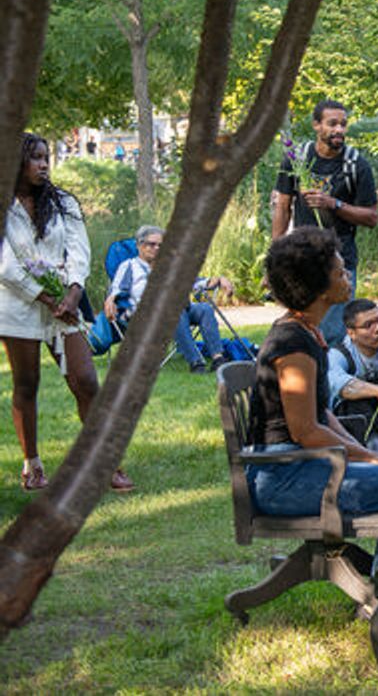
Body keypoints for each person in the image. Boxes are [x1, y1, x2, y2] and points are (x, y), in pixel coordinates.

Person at [244, 228, 378, 638]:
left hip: (307, 466)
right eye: (340, 270)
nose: (347, 275)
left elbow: (324, 416)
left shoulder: (308, 334)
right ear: (316, 283)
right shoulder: (292, 343)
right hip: (284, 476)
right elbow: (305, 431)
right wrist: (370, 459)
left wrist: (368, 454)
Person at [1, 134, 133, 493]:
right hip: (18, 308)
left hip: (66, 307)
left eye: (46, 157)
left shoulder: (63, 203)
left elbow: (79, 250)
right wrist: (45, 298)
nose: (44, 164)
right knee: (26, 385)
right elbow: (6, 266)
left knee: (86, 381)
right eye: (35, 158)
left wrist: (73, 293)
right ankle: (33, 465)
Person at [272, 99, 378, 343]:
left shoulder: (356, 164)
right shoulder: (296, 159)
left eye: (343, 124)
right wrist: (276, 255)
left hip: (340, 261)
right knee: (302, 326)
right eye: (332, 124)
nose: (339, 130)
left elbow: (372, 217)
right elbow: (282, 207)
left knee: (332, 333)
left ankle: (330, 377)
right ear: (316, 126)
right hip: (303, 259)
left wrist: (334, 204)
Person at [104, 225, 233, 374]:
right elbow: (116, 289)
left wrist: (221, 280)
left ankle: (218, 359)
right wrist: (110, 299)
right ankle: (195, 361)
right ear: (139, 245)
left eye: (161, 245)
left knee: (204, 309)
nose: (156, 248)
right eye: (151, 244)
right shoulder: (129, 266)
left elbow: (197, 282)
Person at [327, 298, 378, 454]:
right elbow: (341, 386)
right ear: (351, 333)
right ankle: (376, 452)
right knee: (352, 404)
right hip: (356, 428)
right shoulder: (338, 355)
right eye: (368, 325)